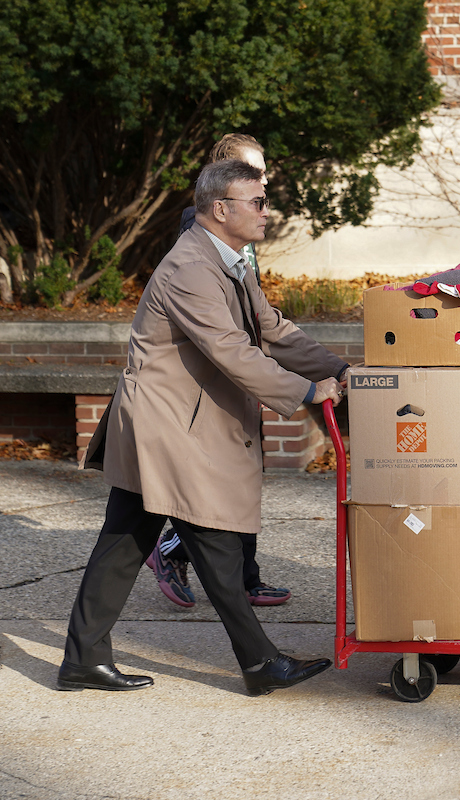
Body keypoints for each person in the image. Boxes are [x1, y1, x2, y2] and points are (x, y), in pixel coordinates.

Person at [57, 158, 349, 695]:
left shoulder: (231, 259)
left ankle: (83, 660)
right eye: (257, 202)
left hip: (174, 423)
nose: (267, 211)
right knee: (212, 540)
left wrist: (337, 368)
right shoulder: (189, 267)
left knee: (126, 540)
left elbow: (272, 330)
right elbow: (231, 351)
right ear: (221, 209)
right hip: (166, 427)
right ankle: (260, 664)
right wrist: (306, 392)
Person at [146, 133, 291, 609]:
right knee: (216, 489)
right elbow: (216, 324)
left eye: (264, 171)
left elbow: (258, 312)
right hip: (210, 380)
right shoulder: (203, 230)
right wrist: (295, 386)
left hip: (240, 367)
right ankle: (177, 552)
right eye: (256, 171)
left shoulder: (244, 225)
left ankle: (242, 578)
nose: (265, 181)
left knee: (238, 480)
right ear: (228, 183)